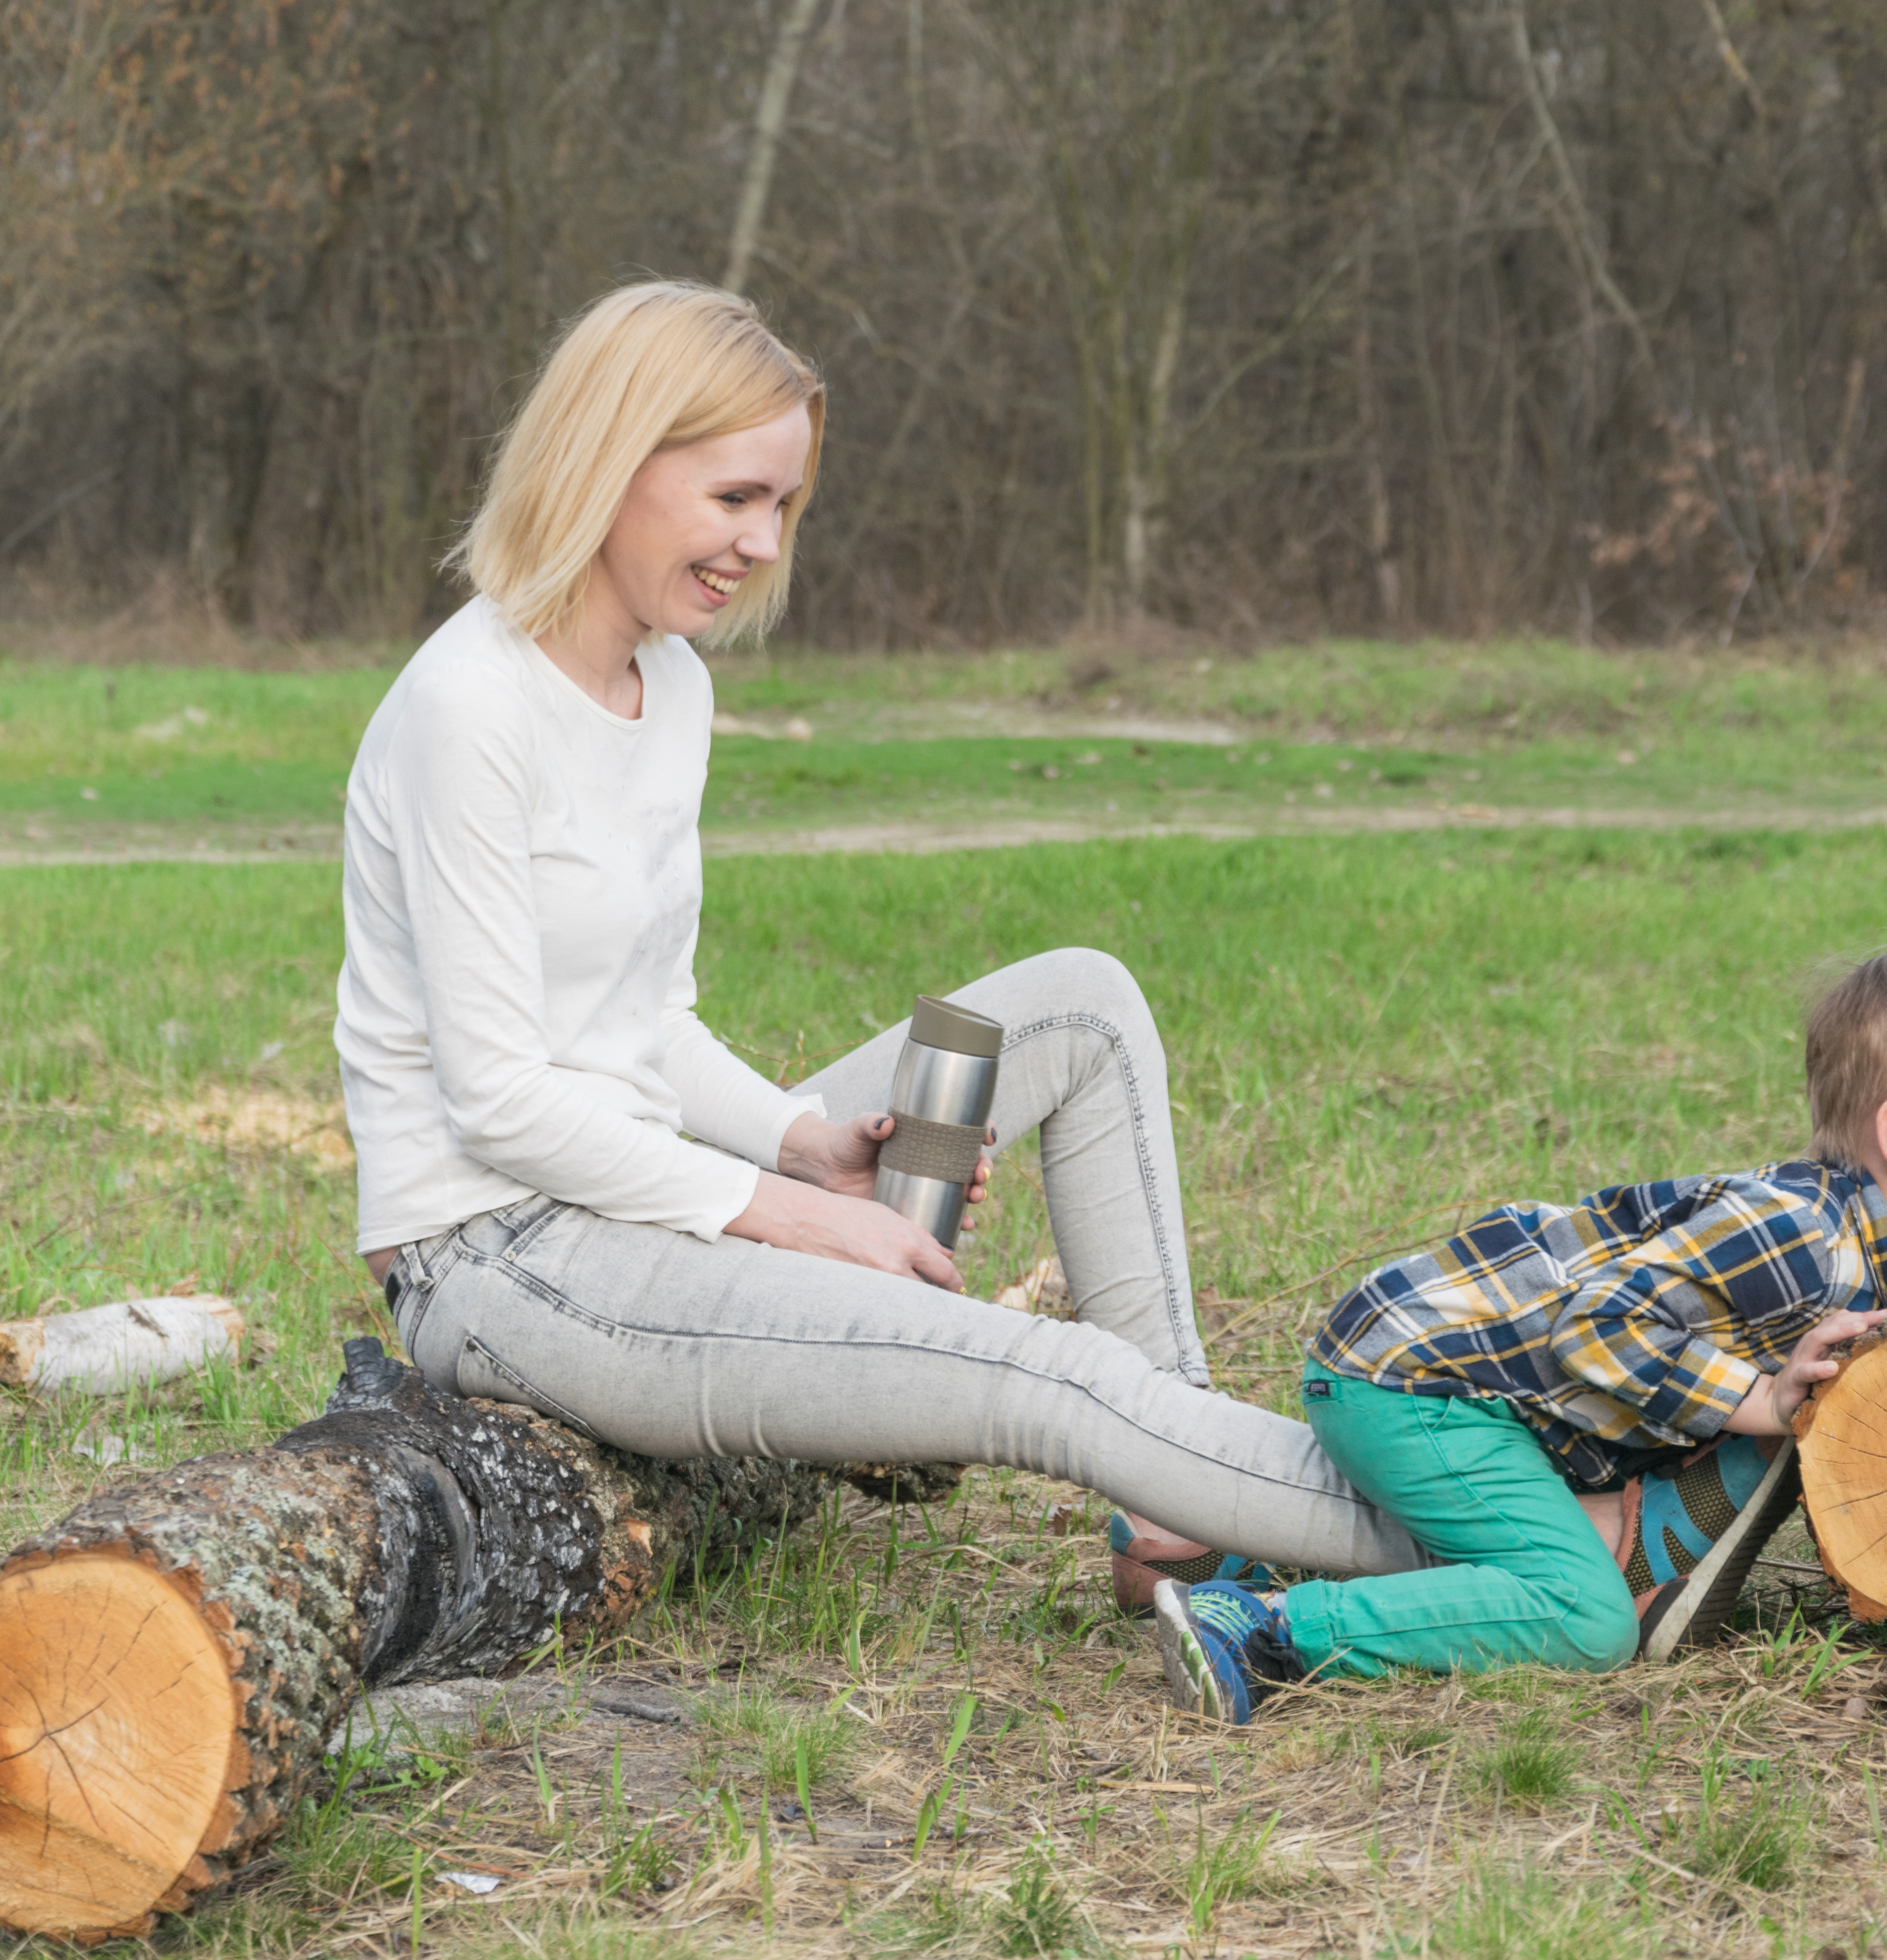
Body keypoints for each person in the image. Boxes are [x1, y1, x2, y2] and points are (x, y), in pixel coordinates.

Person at [334, 279, 1420, 1579]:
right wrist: (796, 1220)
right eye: (734, 497)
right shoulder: (468, 709)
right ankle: (1499, 1538)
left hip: (627, 1189)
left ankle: (1181, 1513)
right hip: (504, 1261)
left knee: (1079, 1004)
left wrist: (810, 1147)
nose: (761, 542)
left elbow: (644, 1024)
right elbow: (501, 1105)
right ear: (609, 460)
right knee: (1044, 1372)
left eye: (782, 506)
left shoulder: (669, 685)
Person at [1148, 943, 1887, 1721]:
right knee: (1583, 1616)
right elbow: (1596, 1328)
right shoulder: (1805, 1240)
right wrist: (1757, 1400)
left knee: (1538, 1545)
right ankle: (1261, 1625)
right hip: (1419, 1388)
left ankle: (1203, 1538)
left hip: (1459, 1392)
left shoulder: (1865, 1242)